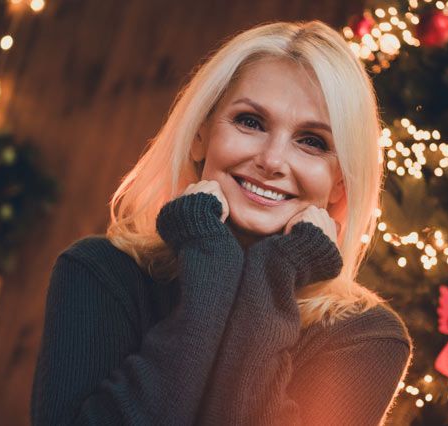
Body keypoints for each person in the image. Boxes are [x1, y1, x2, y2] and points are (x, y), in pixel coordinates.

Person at [31, 20, 412, 425]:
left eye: (312, 141)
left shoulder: (366, 336)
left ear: (340, 183)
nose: (272, 160)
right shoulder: (100, 271)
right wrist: (210, 272)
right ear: (200, 134)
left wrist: (271, 280)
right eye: (250, 121)